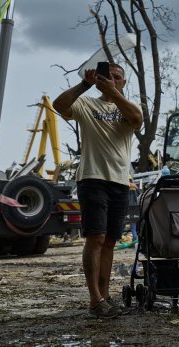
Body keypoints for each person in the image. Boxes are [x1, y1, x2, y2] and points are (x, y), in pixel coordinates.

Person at [53, 63, 143, 318]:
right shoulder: (87, 104)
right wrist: (85, 85)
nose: (112, 81)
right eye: (108, 76)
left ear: (124, 83)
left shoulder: (129, 108)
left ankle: (105, 296)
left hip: (120, 181)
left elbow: (137, 120)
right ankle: (95, 299)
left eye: (118, 78)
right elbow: (59, 105)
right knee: (96, 238)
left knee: (111, 242)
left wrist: (114, 94)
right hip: (92, 178)